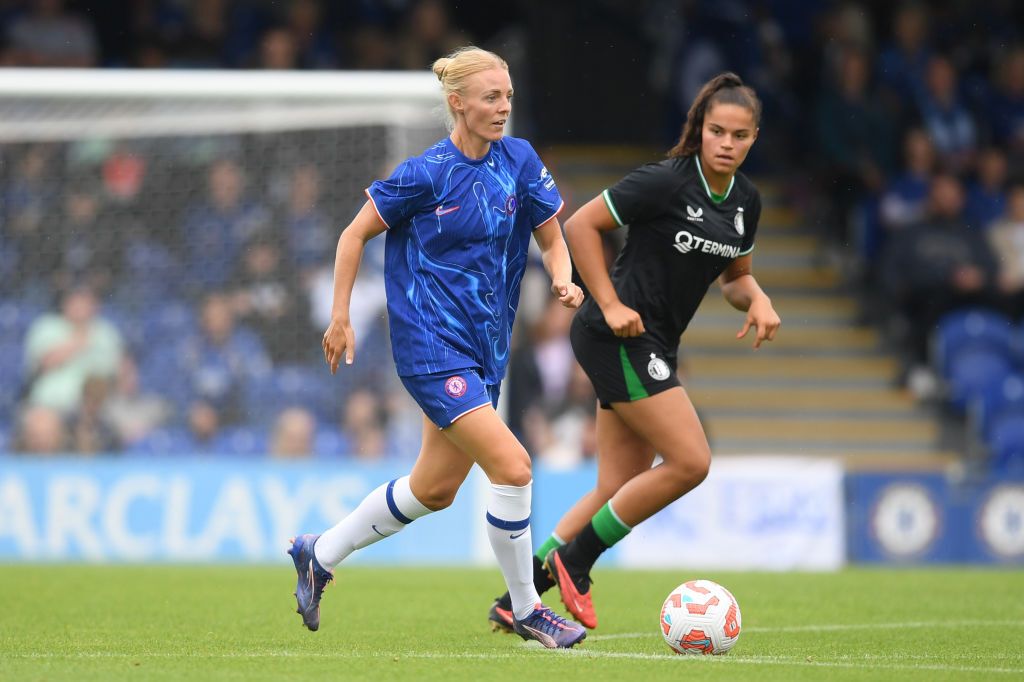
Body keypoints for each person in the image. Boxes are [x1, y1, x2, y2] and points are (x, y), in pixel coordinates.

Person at [287, 46, 588, 649]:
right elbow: (352, 237)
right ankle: (527, 610)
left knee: (434, 488)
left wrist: (562, 274)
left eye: (507, 96)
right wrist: (340, 316)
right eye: (490, 98)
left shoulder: (521, 161)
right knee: (514, 466)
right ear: (458, 103)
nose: (504, 107)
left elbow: (553, 238)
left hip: (484, 349)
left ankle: (319, 552)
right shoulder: (424, 174)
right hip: (431, 348)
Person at [487, 72, 781, 632]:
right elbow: (579, 226)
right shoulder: (668, 181)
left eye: (739, 135)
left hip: (652, 341)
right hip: (615, 332)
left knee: (614, 487)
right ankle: (577, 562)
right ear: (700, 130)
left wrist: (758, 298)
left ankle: (519, 598)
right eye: (716, 130)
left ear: (754, 138)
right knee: (691, 461)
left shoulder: (746, 202)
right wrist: (610, 302)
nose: (726, 143)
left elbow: (733, 278)